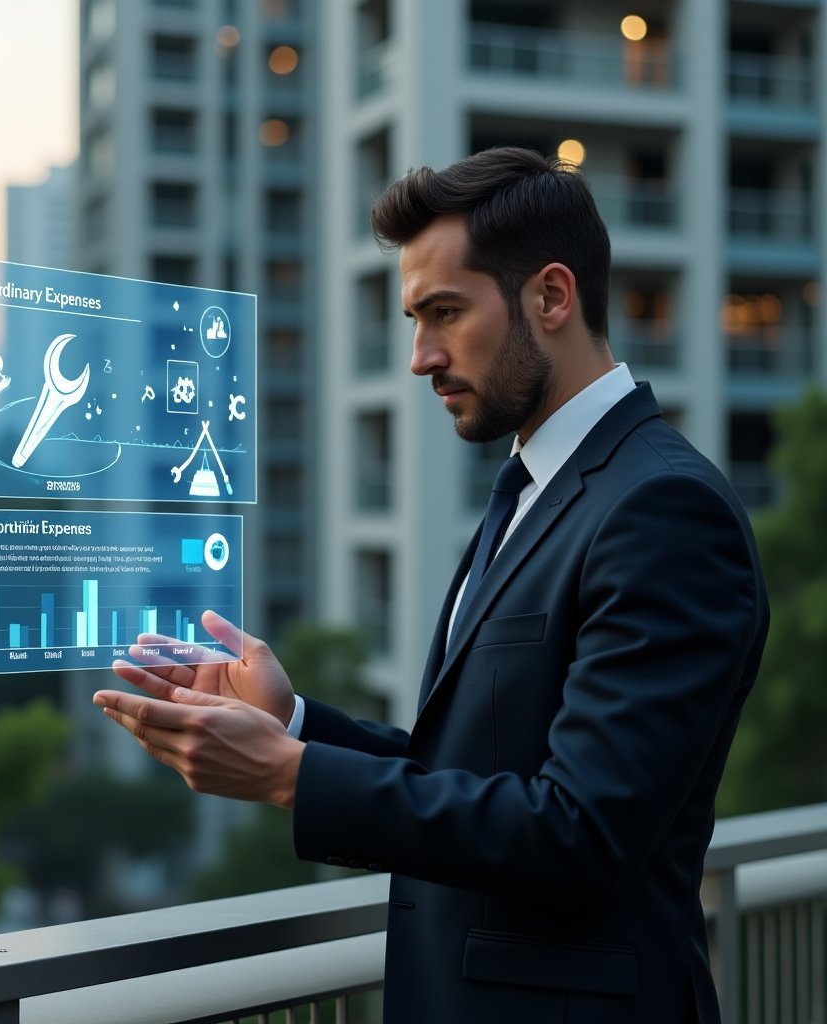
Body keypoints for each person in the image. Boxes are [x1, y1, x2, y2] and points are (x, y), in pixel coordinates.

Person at [94, 147, 769, 1023]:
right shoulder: (532, 487)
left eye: (445, 313)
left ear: (552, 298)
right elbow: (474, 770)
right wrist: (292, 723)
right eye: (415, 318)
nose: (420, 357)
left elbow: (580, 833)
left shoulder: (665, 509)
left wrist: (297, 777)